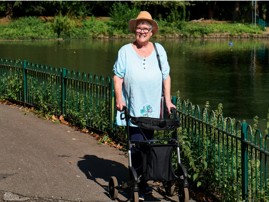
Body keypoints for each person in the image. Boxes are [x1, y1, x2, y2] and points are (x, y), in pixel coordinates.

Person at [113, 11, 175, 201]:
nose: (142, 31)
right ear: (135, 30)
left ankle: (144, 180)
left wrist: (168, 100)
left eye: (146, 28)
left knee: (149, 144)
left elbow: (166, 76)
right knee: (138, 144)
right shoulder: (125, 51)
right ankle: (139, 182)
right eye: (139, 27)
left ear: (151, 32)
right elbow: (118, 77)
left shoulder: (159, 50)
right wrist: (119, 99)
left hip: (153, 108)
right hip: (133, 107)